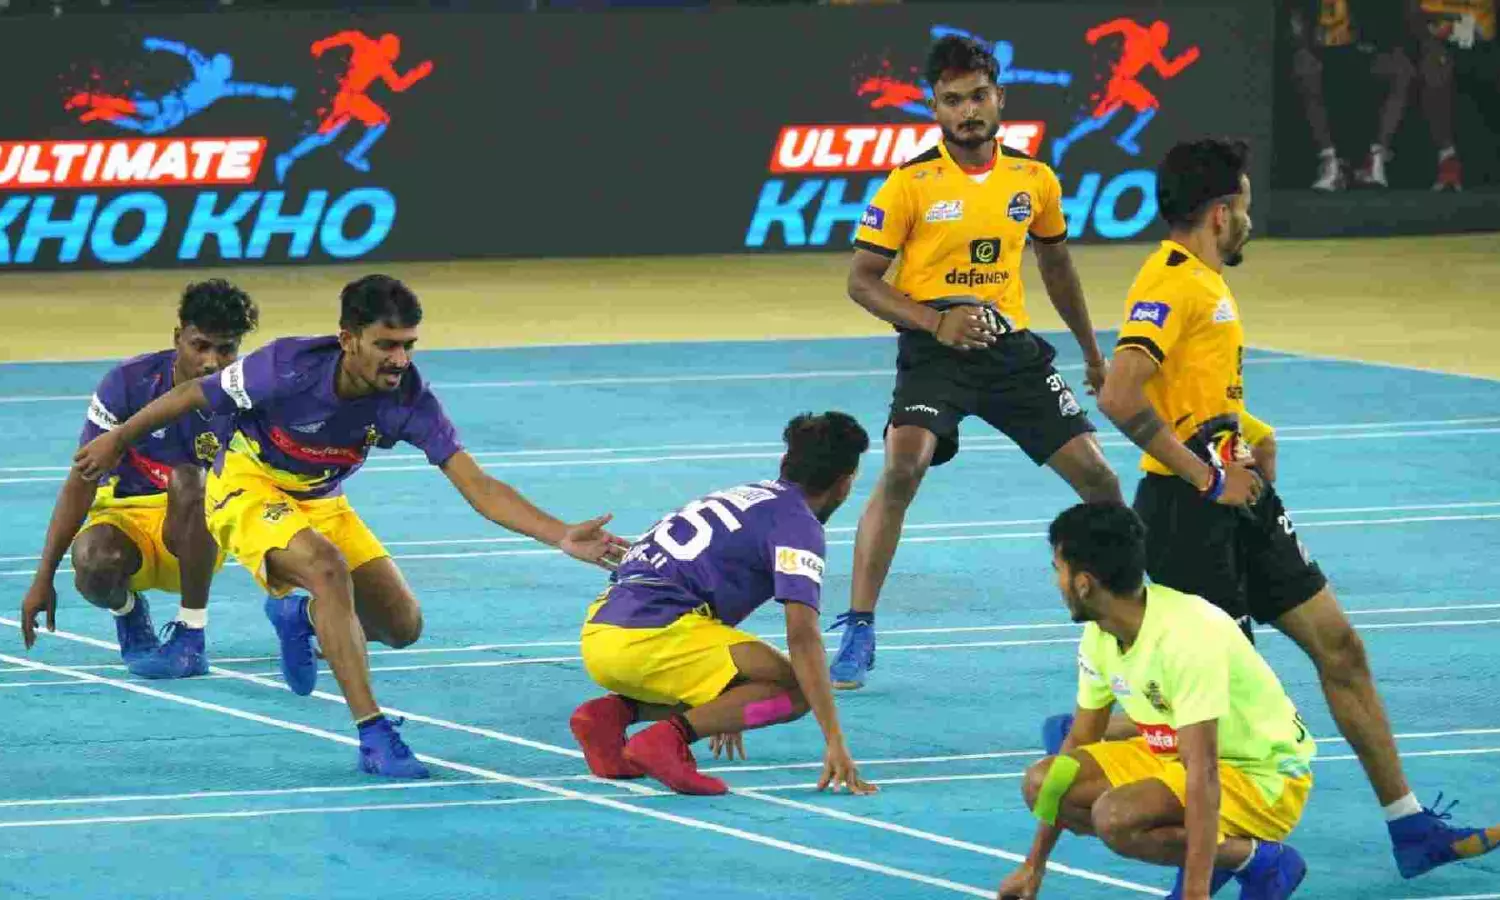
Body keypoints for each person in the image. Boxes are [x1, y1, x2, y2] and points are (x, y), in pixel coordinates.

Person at [1075, 136, 1499, 879]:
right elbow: (1119, 392)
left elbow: (1196, 395)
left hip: (1244, 500)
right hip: (1186, 512)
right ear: (1220, 213)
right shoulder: (1170, 282)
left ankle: (1410, 827)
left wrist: (1255, 435)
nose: (1250, 219)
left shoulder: (1206, 283)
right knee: (1218, 705)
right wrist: (1207, 480)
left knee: (1341, 648)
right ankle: (1201, 848)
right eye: (1244, 205)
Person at [72, 274, 628, 778]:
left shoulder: (410, 402)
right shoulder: (286, 367)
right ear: (348, 339)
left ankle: (299, 613)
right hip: (246, 482)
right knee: (326, 569)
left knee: (401, 626)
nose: (399, 359)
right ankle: (373, 734)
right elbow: (194, 392)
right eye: (386, 345)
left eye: (408, 345)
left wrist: (559, 534)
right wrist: (117, 438)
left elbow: (477, 485)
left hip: (321, 498)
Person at [832, 34, 1121, 691]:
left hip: (1010, 352)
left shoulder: (1034, 179)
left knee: (1101, 480)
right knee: (903, 466)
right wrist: (936, 321)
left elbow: (1057, 267)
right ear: (935, 108)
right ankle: (859, 626)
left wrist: (1091, 352)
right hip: (935, 351)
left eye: (978, 96)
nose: (968, 110)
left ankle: (1125, 608)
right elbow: (862, 281)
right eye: (953, 100)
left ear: (999, 99)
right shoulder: (909, 184)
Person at [999, 503, 1315, 900]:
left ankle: (1257, 860)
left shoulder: (1187, 635)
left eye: (1057, 569)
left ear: (1083, 583)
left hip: (1261, 774)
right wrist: (1034, 864)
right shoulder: (1101, 633)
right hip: (1176, 756)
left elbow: (1203, 772)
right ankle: (1229, 853)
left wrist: (1194, 894)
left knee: (1117, 817)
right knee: (1044, 784)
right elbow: (1079, 740)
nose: (1055, 582)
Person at [570, 412, 877, 797]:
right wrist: (834, 740)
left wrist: (730, 702)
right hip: (652, 639)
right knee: (797, 692)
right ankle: (667, 740)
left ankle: (609, 716)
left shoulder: (744, 496)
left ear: (785, 462)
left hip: (602, 636)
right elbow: (802, 636)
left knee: (758, 676)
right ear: (846, 482)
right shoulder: (798, 526)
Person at [21, 280, 259, 679]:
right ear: (178, 338)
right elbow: (82, 480)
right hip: (127, 519)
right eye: (200, 346)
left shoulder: (249, 393)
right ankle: (128, 611)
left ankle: (191, 633)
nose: (211, 362)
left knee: (189, 479)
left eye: (226, 349)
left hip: (199, 529)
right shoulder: (129, 383)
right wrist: (43, 577)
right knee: (93, 563)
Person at [274, 31, 433, 183]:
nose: (395, 53)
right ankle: (351, 155)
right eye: (394, 48)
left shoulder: (374, 54)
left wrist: (322, 44)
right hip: (348, 97)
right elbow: (397, 85)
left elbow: (348, 37)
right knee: (377, 123)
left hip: (347, 98)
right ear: (387, 44)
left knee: (328, 136)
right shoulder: (373, 52)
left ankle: (289, 157)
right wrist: (419, 72)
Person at [64, 37, 295, 134]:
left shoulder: (223, 86)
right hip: (172, 101)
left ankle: (99, 111)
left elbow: (254, 89)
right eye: (217, 64)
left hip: (178, 110)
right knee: (132, 107)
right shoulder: (205, 69)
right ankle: (87, 100)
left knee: (146, 126)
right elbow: (183, 49)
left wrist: (280, 93)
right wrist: (156, 43)